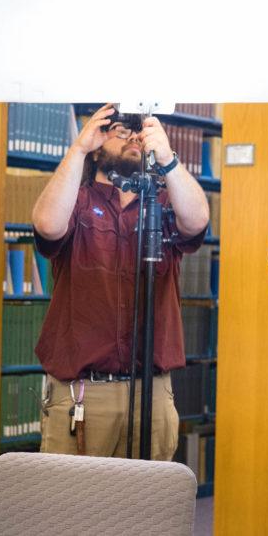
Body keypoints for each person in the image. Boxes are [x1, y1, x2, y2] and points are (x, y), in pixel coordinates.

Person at [32, 103, 209, 460]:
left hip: (152, 393)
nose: (133, 139)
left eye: (138, 133)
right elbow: (47, 224)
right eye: (121, 131)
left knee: (149, 510)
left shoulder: (162, 204)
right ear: (97, 144)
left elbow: (197, 221)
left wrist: (169, 159)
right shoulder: (78, 201)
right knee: (75, 509)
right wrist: (78, 148)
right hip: (84, 394)